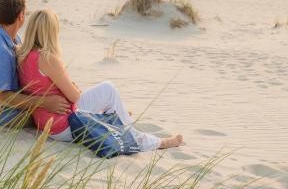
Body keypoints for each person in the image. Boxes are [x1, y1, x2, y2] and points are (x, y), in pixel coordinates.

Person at [18, 9, 184, 151]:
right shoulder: (47, 58)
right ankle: (151, 142)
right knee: (108, 89)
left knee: (106, 99)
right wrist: (71, 85)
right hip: (65, 126)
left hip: (45, 123)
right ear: (52, 32)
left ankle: (119, 115)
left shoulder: (23, 56)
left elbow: (45, 86)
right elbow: (75, 97)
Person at [0, 0, 72, 127]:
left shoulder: (13, 39)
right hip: (7, 116)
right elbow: (2, 97)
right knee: (68, 115)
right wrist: (44, 102)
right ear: (21, 16)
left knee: (68, 103)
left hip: (21, 107)